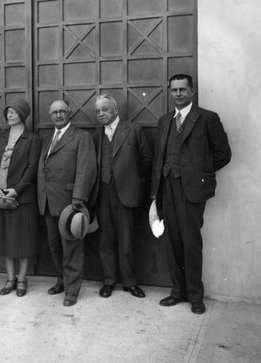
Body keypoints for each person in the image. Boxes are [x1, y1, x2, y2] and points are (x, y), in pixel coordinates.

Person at [149, 74, 231, 314]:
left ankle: (196, 296)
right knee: (172, 240)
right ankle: (178, 292)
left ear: (192, 92)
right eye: (174, 90)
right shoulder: (165, 120)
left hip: (192, 190)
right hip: (167, 189)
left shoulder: (207, 118)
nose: (178, 94)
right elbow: (158, 159)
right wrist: (155, 193)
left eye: (182, 90)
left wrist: (199, 174)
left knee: (191, 242)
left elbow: (223, 154)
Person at [92, 94, 153, 299]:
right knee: (105, 240)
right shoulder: (95, 136)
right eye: (98, 111)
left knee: (127, 240)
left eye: (105, 109)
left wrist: (133, 182)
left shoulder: (133, 130)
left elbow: (146, 161)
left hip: (127, 193)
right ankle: (108, 281)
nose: (101, 114)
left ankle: (130, 282)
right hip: (103, 194)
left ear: (115, 109)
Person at [37, 100, 97, 306]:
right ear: (50, 115)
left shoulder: (82, 137)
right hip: (48, 202)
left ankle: (72, 291)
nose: (58, 115)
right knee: (55, 247)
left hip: (70, 203)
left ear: (70, 113)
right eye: (54, 112)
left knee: (72, 248)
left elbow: (86, 169)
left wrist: (78, 199)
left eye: (62, 111)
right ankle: (62, 281)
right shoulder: (47, 139)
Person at [0, 99, 41, 297]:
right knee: (6, 240)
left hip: (22, 199)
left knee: (24, 241)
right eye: (8, 112)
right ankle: (10, 279)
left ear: (23, 115)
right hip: (0, 197)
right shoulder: (0, 137)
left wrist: (16, 190)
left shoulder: (33, 139)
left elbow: (32, 168)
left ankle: (22, 279)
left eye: (14, 112)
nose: (10, 115)